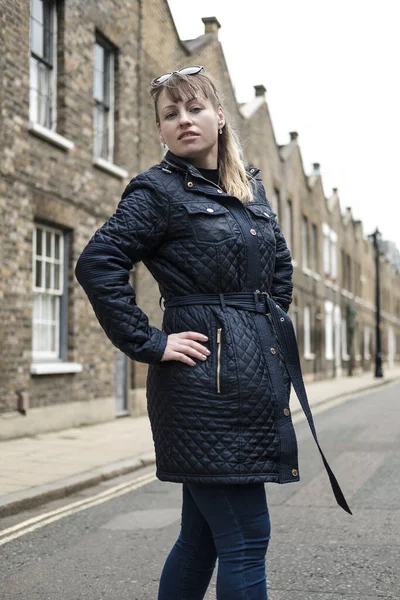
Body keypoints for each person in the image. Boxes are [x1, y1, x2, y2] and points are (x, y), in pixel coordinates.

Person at [75, 65, 351, 600]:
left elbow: (280, 268)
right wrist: (150, 342)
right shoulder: (156, 192)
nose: (183, 120)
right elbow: (98, 262)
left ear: (220, 117)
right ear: (159, 130)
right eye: (170, 114)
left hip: (250, 386)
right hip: (203, 391)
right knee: (247, 537)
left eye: (194, 108)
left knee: (202, 538)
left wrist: (258, 325)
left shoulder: (249, 187)